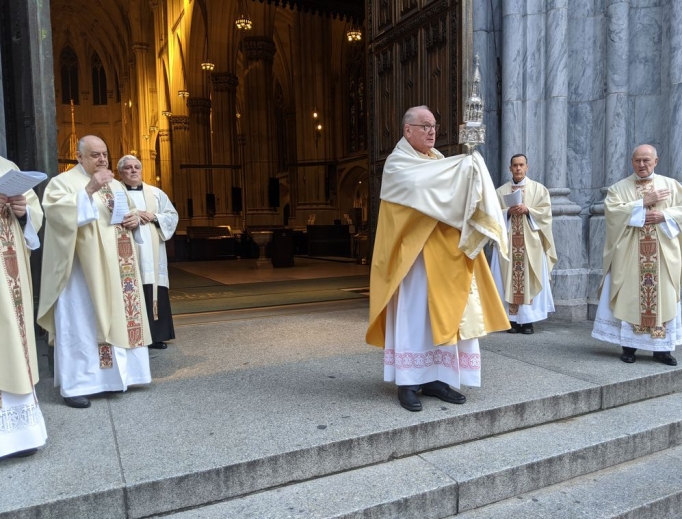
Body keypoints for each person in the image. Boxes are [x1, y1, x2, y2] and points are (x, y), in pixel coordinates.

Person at [366, 105, 510, 412]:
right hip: (413, 260)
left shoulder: (441, 162)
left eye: (434, 125)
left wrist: (468, 169)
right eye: (425, 126)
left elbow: (455, 196)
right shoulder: (397, 164)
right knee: (414, 318)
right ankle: (407, 382)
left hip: (444, 257)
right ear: (408, 131)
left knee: (444, 317)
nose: (433, 131)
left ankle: (437, 378)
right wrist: (464, 167)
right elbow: (423, 187)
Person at [37, 135, 152, 409]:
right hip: (80, 274)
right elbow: (56, 217)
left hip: (117, 267)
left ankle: (122, 377)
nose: (102, 159)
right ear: (79, 157)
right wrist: (88, 190)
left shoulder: (115, 184)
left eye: (104, 154)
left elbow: (129, 214)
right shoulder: (62, 183)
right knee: (81, 322)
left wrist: (135, 219)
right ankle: (78, 385)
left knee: (119, 315)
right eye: (94, 155)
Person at [592, 144, 682, 366]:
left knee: (663, 296)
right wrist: (642, 203)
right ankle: (629, 347)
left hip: (662, 255)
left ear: (656, 161)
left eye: (646, 161)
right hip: (631, 255)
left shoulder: (671, 185)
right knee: (630, 296)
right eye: (637, 161)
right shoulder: (618, 188)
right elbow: (613, 213)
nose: (641, 165)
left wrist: (665, 215)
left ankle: (662, 350)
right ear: (631, 162)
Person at [0, 156, 47, 458]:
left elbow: (34, 213)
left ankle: (20, 436)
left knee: (13, 343)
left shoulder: (7, 167)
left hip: (9, 272)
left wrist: (22, 212)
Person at [490, 154, 557, 334]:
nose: (518, 169)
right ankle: (511, 320)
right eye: (515, 166)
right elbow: (492, 217)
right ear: (510, 168)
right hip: (507, 244)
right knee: (507, 278)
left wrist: (528, 210)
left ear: (527, 167)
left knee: (528, 277)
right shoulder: (500, 192)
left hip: (531, 244)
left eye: (521, 165)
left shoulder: (539, 190)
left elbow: (546, 214)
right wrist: (508, 212)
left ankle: (528, 321)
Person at [117, 155, 178, 350]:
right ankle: (130, 335)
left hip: (152, 254)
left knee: (154, 290)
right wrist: (133, 215)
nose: (133, 170)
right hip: (126, 253)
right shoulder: (113, 193)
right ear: (120, 172)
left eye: (137, 167)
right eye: (128, 168)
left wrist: (154, 216)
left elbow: (172, 216)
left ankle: (156, 335)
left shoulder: (156, 193)